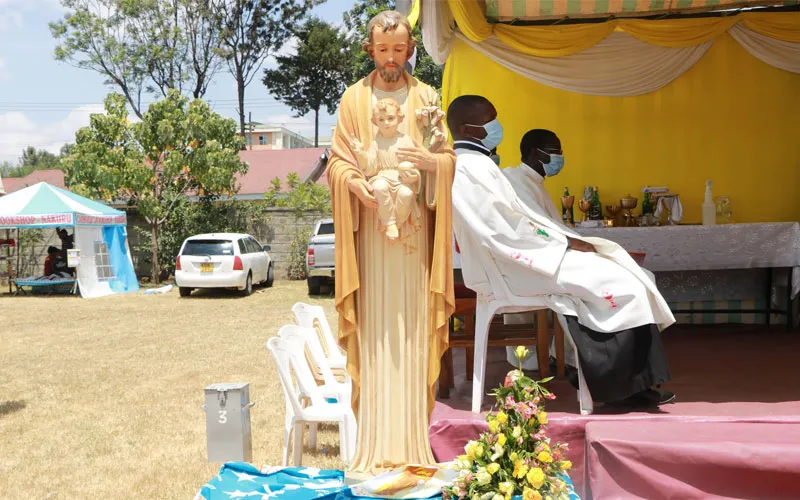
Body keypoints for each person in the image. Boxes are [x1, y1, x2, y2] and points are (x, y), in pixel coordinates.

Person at [448, 95, 675, 408]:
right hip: (515, 268)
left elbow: (513, 223)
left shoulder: (477, 165)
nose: (496, 126)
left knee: (623, 274)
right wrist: (565, 244)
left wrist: (567, 244)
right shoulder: (470, 168)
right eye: (490, 119)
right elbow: (503, 231)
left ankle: (627, 385)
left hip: (523, 260)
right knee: (622, 282)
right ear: (469, 128)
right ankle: (619, 389)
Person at [326, 10, 455, 474]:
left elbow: (447, 159)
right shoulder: (352, 100)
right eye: (383, 50)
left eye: (399, 50)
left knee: (414, 334)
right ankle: (377, 447)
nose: (391, 59)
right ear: (370, 49)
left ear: (409, 49)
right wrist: (353, 184)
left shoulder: (426, 96)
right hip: (373, 245)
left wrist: (430, 160)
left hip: (415, 240)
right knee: (379, 334)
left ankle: (412, 447)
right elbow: (337, 163)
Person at [352, 98, 421, 242]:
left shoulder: (406, 140)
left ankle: (399, 223)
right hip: (382, 176)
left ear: (399, 118)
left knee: (406, 193)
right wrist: (361, 153)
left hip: (401, 178)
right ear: (375, 122)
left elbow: (414, 163)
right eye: (381, 120)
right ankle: (390, 223)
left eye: (390, 118)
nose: (386, 123)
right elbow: (370, 168)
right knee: (378, 187)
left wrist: (412, 174)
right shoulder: (376, 143)